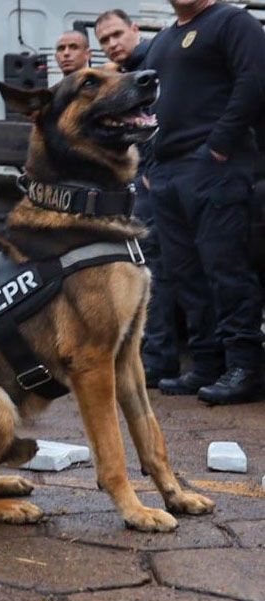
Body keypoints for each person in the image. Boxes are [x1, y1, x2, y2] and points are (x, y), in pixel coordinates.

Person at [144, 0, 265, 404]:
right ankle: (207, 364)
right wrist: (149, 162)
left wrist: (219, 144)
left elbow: (254, 79)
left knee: (225, 268)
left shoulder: (232, 21)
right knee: (186, 276)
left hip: (214, 167)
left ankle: (245, 367)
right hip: (167, 173)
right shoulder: (162, 40)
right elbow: (148, 105)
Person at [95, 9, 180, 387]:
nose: (112, 43)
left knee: (154, 269)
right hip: (143, 184)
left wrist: (150, 171)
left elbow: (170, 116)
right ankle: (156, 358)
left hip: (159, 179)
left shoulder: (153, 63)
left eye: (116, 34)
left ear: (134, 29)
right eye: (105, 40)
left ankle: (160, 360)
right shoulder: (122, 75)